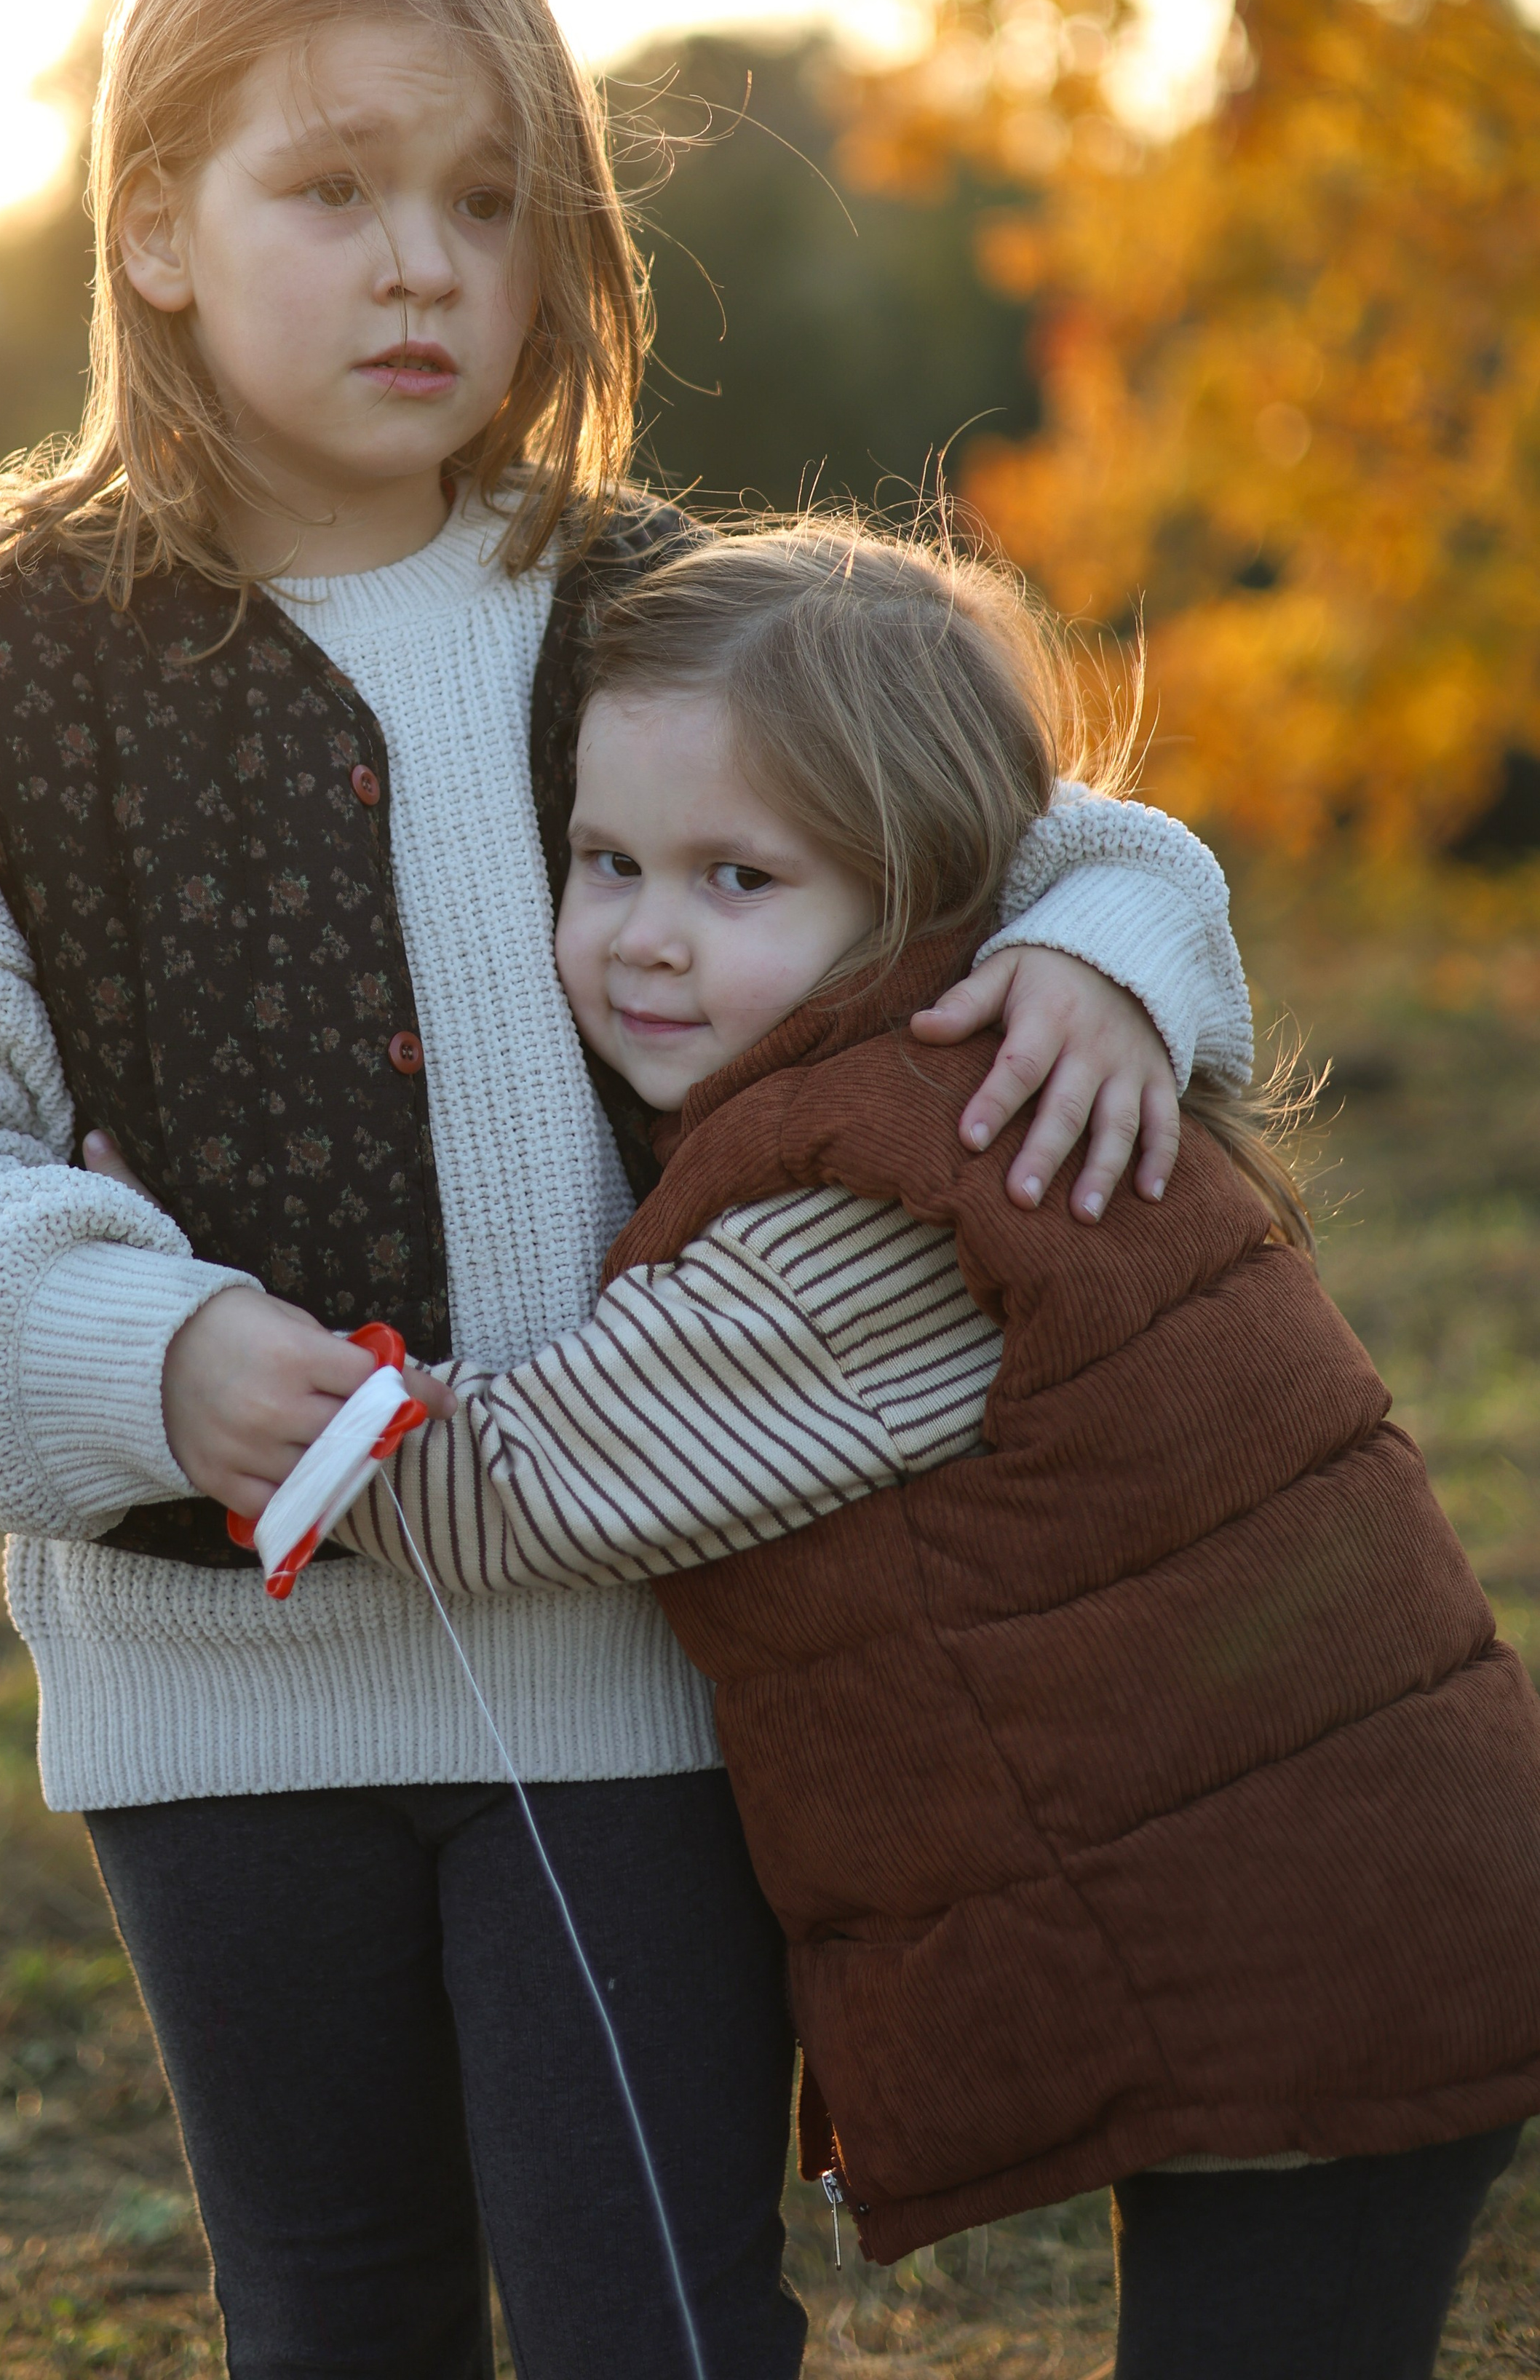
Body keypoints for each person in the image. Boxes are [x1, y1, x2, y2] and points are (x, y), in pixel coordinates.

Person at [0, 0, 1257, 2380]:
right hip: (211, 1694)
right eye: (334, 190)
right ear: (155, 226)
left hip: (641, 1671)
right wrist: (144, 1349)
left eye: (486, 203)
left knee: (653, 2313)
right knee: (334, 2314)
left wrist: (1112, 941)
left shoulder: (651, 612)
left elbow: (1060, 827)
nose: (422, 266)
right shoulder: (17, 676)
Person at [320, 516, 1540, 2380]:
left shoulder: (878, 1204)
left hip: (1310, 1933)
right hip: (1326, 1894)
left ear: (923, 898)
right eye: (604, 861)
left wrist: (184, 1347)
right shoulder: (948, 1075)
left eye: (738, 877)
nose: (645, 935)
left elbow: (505, 1490)